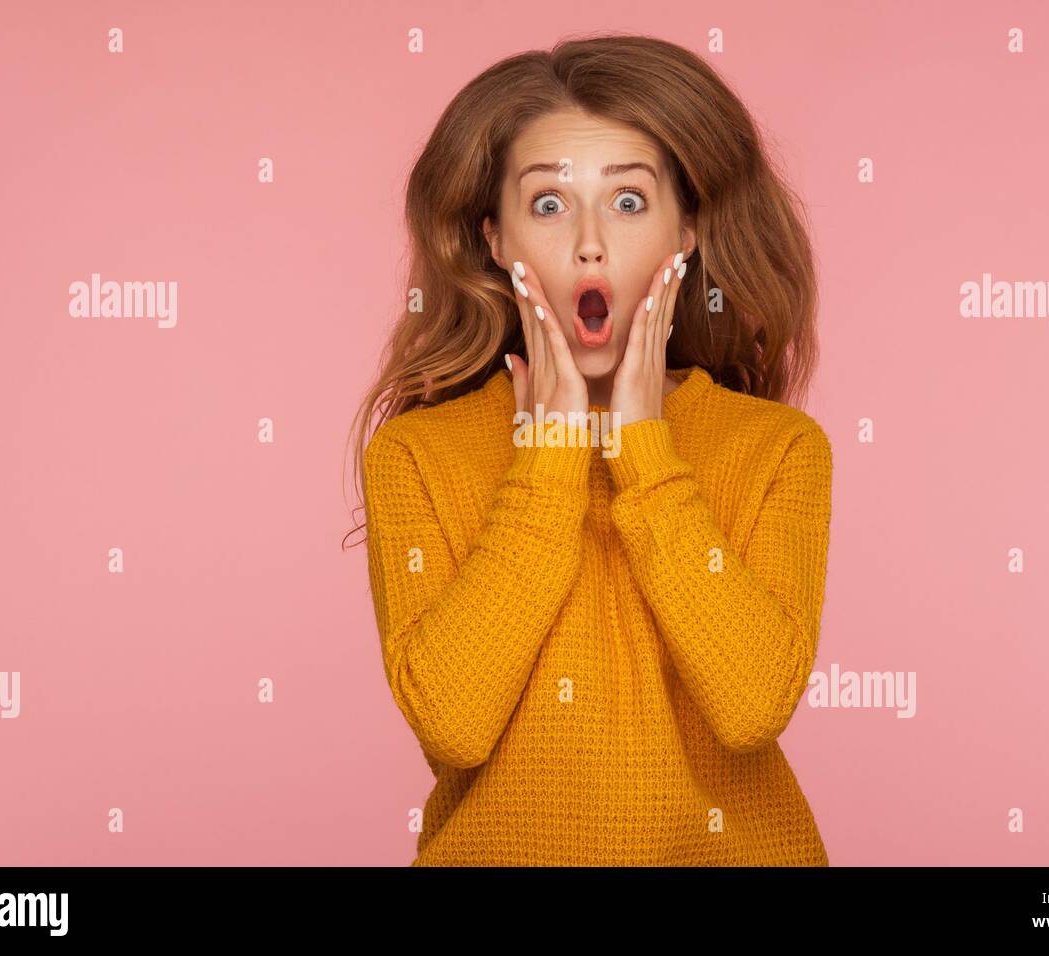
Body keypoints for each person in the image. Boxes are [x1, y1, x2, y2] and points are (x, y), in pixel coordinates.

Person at [343, 33, 833, 866]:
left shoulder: (777, 449)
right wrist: (551, 455)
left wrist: (646, 453)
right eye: (548, 204)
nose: (590, 244)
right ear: (494, 240)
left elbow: (752, 705)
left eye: (630, 202)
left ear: (687, 234)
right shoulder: (419, 455)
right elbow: (454, 725)